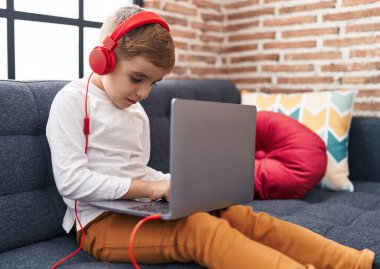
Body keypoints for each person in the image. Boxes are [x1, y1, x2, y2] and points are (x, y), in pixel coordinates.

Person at [46, 5, 375, 269]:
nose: (145, 93)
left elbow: (138, 171)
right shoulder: (72, 100)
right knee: (200, 231)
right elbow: (72, 182)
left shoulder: (135, 111)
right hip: (97, 225)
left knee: (237, 214)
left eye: (153, 83)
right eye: (137, 78)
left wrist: (182, 185)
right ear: (104, 57)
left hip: (136, 207)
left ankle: (354, 262)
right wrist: (154, 188)